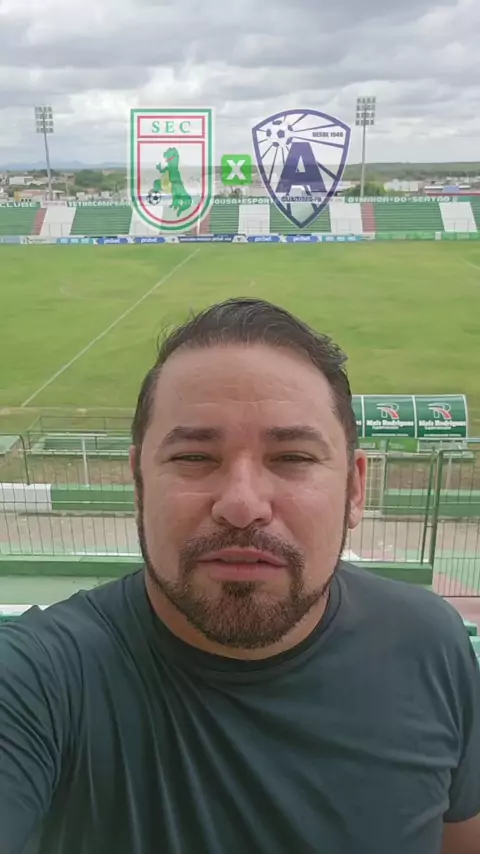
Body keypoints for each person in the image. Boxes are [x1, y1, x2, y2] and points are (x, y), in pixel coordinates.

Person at [1, 298, 479, 854]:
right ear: (138, 484)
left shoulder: (430, 645)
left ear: (354, 488)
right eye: (194, 458)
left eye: (293, 457)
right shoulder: (36, 682)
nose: (242, 505)